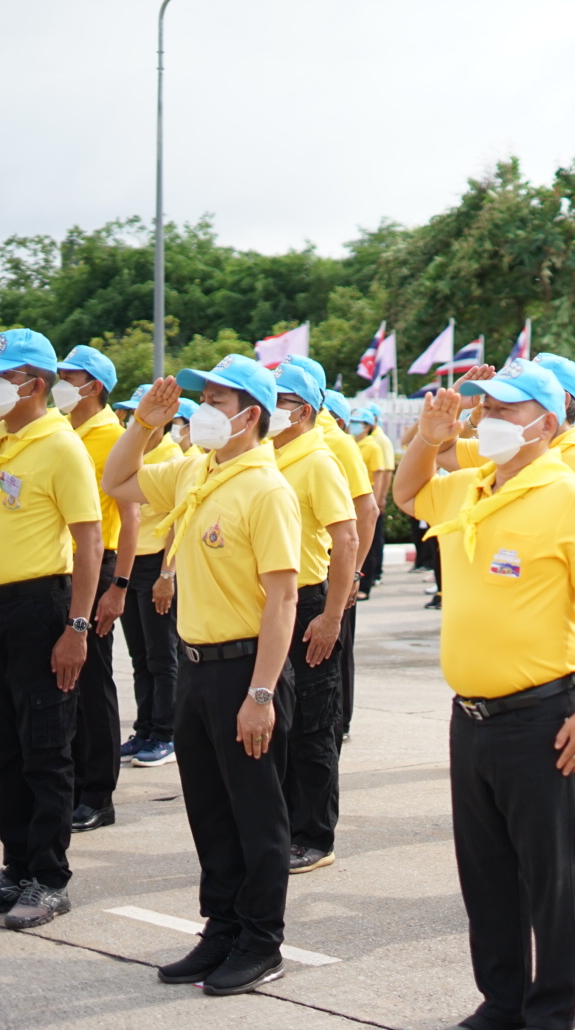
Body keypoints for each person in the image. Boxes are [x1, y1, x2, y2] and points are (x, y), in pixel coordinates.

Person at [393, 359, 575, 1030]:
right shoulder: (468, 486)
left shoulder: (571, 496)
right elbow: (409, 493)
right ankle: (502, 1001)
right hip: (472, 718)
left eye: (506, 410)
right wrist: (429, 436)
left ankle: (551, 1013)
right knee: (486, 874)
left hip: (543, 716)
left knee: (551, 881)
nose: (489, 420)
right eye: (485, 408)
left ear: (545, 424)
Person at [103, 354, 300, 995]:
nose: (206, 409)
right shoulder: (196, 470)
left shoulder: (266, 488)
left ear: (252, 416)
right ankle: (220, 930)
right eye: (204, 397)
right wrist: (145, 426)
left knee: (256, 814)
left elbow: (283, 598)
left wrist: (262, 693)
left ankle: (260, 941)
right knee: (210, 810)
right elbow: (118, 481)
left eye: (219, 400)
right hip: (196, 667)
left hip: (246, 670)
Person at [0, 330, 103, 928]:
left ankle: (49, 877)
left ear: (33, 383)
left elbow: (90, 538)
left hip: (42, 610)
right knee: (5, 749)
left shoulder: (60, 447)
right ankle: (16, 869)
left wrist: (77, 626)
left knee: (45, 750)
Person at [268, 361, 358, 875]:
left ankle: (313, 836)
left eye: (279, 400)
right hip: (270, 604)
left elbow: (345, 538)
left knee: (312, 725)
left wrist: (331, 615)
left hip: (307, 602)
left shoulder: (317, 460)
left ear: (302, 411)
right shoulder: (269, 456)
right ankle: (284, 827)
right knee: (280, 722)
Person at [56, 344, 139, 833]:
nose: (61, 384)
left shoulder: (109, 435)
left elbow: (131, 516)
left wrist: (120, 586)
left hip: (100, 565)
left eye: (70, 377)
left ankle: (97, 794)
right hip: (61, 567)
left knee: (92, 683)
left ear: (94, 386)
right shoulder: (67, 431)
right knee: (65, 684)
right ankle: (72, 786)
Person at [438, 354, 575, 547]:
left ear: (562, 401)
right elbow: (441, 451)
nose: (508, 405)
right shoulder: (507, 449)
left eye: (522, 397)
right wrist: (456, 406)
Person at [300, 367, 379, 744]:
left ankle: (339, 722)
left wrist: (354, 574)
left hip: (334, 565)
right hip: (308, 564)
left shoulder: (336, 441)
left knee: (333, 651)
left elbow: (368, 512)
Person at [112, 384, 184, 767]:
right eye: (128, 413)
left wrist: (167, 575)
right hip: (134, 562)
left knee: (162, 655)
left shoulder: (173, 457)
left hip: (159, 562)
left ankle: (165, 733)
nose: (130, 420)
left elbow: (177, 522)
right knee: (140, 655)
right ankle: (144, 729)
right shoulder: (135, 455)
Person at [350, 406, 389, 599]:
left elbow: (379, 474)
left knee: (369, 543)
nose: (353, 426)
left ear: (367, 426)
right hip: (351, 498)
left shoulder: (372, 445)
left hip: (367, 497)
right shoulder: (349, 443)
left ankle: (366, 584)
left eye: (358, 423)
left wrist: (378, 499)